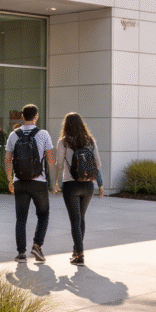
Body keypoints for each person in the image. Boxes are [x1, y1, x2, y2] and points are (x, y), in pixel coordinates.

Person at [4, 104, 55, 263]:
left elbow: (7, 159)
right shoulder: (43, 134)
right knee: (43, 214)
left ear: (23, 117)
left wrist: (10, 179)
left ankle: (21, 254)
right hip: (38, 182)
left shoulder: (14, 135)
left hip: (20, 182)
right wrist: (51, 179)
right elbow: (50, 159)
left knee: (21, 218)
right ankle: (37, 245)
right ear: (36, 117)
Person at [52, 113, 101, 266]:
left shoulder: (63, 142)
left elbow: (59, 164)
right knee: (81, 218)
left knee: (75, 220)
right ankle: (76, 251)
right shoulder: (90, 141)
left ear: (66, 125)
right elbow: (98, 164)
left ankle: (79, 254)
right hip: (87, 185)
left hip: (70, 184)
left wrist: (55, 182)